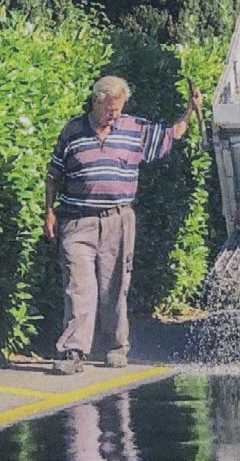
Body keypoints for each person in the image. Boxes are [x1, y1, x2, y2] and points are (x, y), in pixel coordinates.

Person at [45, 75, 200, 374]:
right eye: (110, 109)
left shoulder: (133, 128)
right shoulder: (73, 131)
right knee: (78, 287)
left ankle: (116, 346)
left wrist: (190, 110)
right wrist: (49, 212)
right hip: (78, 221)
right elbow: (54, 174)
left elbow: (172, 134)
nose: (114, 115)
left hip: (119, 219)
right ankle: (73, 351)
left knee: (115, 286)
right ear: (95, 101)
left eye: (119, 108)